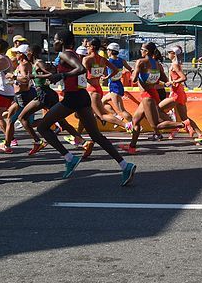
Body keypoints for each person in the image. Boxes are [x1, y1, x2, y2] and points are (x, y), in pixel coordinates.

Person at [36, 30, 136, 185]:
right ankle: (125, 165)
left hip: (73, 98)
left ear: (62, 41)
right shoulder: (73, 55)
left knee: (42, 128)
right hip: (82, 96)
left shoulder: (65, 54)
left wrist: (62, 76)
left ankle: (69, 158)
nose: (53, 42)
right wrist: (35, 76)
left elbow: (81, 70)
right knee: (96, 136)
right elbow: (63, 72)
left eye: (55, 39)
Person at [17, 45, 85, 150]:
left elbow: (50, 74)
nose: (26, 55)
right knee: (61, 121)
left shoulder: (39, 63)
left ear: (31, 53)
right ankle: (83, 141)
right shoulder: (33, 63)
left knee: (22, 117)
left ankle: (38, 141)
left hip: (44, 94)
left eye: (27, 53)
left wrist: (35, 76)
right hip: (46, 94)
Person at [120, 42, 184, 153]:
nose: (140, 51)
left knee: (156, 125)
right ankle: (132, 147)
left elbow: (134, 79)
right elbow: (165, 80)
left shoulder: (140, 62)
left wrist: (135, 71)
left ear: (147, 51)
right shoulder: (157, 64)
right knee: (135, 121)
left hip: (147, 96)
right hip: (153, 93)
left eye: (142, 49)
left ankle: (183, 124)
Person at [159, 45, 202, 138]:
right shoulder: (176, 63)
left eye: (169, 52)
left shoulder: (175, 64)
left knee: (157, 110)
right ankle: (199, 134)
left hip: (176, 94)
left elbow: (183, 77)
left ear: (173, 54)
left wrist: (172, 82)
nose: (167, 54)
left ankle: (175, 126)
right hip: (179, 92)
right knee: (184, 117)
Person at [101, 42, 133, 128]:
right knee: (102, 102)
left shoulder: (109, 61)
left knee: (121, 110)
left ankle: (134, 124)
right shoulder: (122, 60)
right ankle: (116, 115)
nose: (107, 52)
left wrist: (106, 77)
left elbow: (106, 70)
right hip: (118, 84)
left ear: (111, 51)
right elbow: (131, 69)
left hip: (114, 86)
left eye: (108, 50)